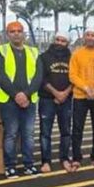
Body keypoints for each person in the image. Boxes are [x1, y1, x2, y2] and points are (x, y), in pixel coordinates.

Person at [0, 21, 43, 178]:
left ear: (24, 33)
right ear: (7, 34)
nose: (16, 34)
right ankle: (10, 166)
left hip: (29, 100)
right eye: (12, 31)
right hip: (8, 101)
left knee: (28, 134)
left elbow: (38, 76)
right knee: (11, 134)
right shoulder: (0, 51)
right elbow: (1, 76)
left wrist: (26, 95)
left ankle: (29, 165)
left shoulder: (34, 52)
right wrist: (16, 95)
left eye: (19, 31)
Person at [69, 29, 94, 169]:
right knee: (77, 128)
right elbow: (73, 75)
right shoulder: (77, 54)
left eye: (93, 35)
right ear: (84, 37)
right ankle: (76, 158)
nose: (90, 38)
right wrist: (86, 88)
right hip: (80, 96)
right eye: (88, 35)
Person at [38, 32, 73, 173]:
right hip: (47, 99)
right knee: (45, 132)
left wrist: (65, 94)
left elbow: (75, 78)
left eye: (63, 41)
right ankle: (46, 161)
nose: (59, 43)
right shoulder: (43, 57)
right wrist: (56, 93)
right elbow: (41, 78)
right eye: (57, 40)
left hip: (66, 99)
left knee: (66, 131)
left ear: (67, 43)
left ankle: (64, 158)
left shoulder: (72, 58)